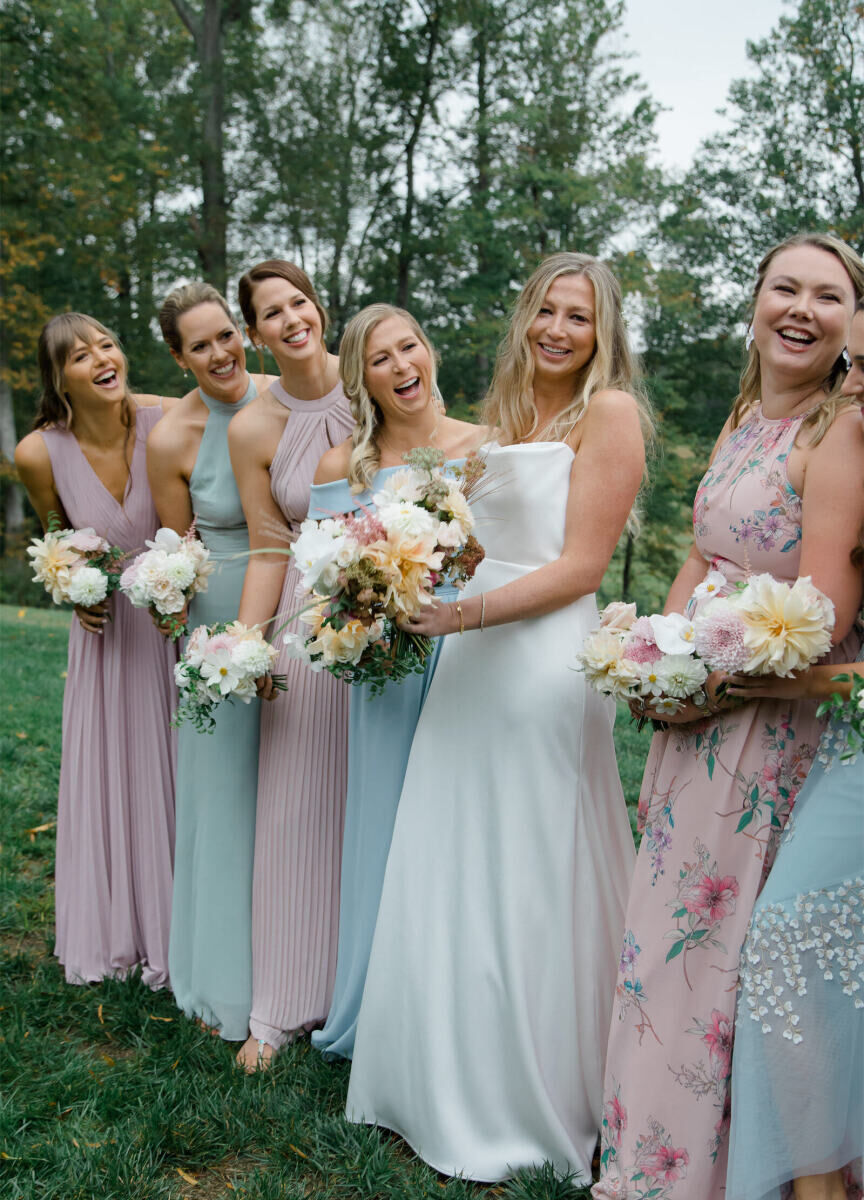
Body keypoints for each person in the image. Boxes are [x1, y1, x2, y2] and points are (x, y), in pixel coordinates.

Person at [346, 252, 650, 1181]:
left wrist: (459, 613)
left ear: (604, 334)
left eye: (580, 317)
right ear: (524, 317)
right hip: (469, 657)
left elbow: (582, 566)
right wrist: (400, 568)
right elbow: (473, 544)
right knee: (453, 855)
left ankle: (530, 1099)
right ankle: (434, 1083)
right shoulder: (506, 415)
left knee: (528, 865)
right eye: (547, 311)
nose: (559, 329)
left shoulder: (611, 413)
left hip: (542, 661)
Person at [593, 234, 864, 1200]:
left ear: (849, 327)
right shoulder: (746, 416)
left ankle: (713, 1177)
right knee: (664, 944)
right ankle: (646, 1161)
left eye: (827, 297)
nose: (800, 308)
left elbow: (822, 625)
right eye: (783, 288)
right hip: (697, 719)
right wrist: (652, 653)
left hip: (769, 731)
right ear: (753, 302)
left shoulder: (840, 435)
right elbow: (706, 556)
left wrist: (708, 681)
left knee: (725, 959)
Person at [308, 304, 482, 1061]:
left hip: (472, 661)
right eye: (380, 359)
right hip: (387, 668)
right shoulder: (341, 466)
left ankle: (455, 1007)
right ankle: (375, 1010)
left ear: (428, 350)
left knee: (461, 832)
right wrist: (367, 594)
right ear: (362, 379)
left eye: (408, 347)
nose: (401, 366)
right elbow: (321, 580)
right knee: (385, 829)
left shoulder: (483, 447)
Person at [724, 302, 864, 1200]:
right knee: (783, 936)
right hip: (853, 738)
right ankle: (819, 1183)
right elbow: (825, 617)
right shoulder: (850, 443)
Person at [15, 313, 178, 987]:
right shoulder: (36, 452)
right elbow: (56, 541)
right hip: (106, 640)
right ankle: (113, 926)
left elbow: (239, 385)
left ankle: (179, 922)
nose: (102, 360)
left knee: (173, 770)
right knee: (112, 775)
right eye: (81, 357)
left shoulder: (165, 420)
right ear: (60, 379)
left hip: (169, 625)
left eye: (107, 346)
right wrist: (71, 587)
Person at [228, 260, 354, 1070]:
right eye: (271, 314)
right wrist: (244, 644)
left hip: (389, 612)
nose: (289, 319)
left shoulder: (377, 377)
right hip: (304, 628)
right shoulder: (253, 426)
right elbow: (270, 545)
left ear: (319, 306)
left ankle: (363, 994)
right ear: (255, 335)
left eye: (297, 302)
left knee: (373, 810)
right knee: (292, 815)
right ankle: (278, 1008)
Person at [147, 283, 275, 1040]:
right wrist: (165, 595)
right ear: (178, 356)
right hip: (219, 621)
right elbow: (181, 551)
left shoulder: (281, 396)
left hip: (302, 607)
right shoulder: (172, 438)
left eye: (226, 334)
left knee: (289, 796)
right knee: (222, 798)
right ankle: (221, 982)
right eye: (200, 345)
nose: (221, 353)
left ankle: (293, 975)